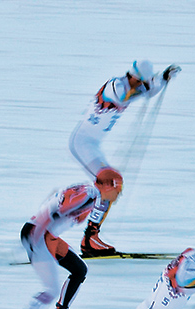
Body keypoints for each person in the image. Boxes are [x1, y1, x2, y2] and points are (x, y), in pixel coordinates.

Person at [69, 60, 181, 257]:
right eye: (141, 81)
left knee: (112, 183)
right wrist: (149, 85)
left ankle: (91, 235)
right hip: (82, 143)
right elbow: (124, 97)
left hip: (92, 146)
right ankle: (88, 237)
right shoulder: (116, 85)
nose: (142, 86)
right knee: (110, 183)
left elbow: (148, 91)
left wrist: (162, 78)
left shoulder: (134, 86)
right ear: (135, 77)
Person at [7, 171, 124, 309]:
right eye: (118, 189)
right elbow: (61, 210)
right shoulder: (90, 195)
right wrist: (37, 231)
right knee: (51, 290)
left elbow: (54, 199)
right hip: (40, 236)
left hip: (45, 235)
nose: (118, 195)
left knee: (79, 269)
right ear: (108, 186)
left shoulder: (86, 189)